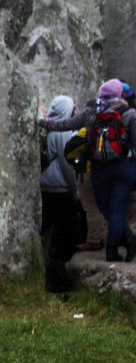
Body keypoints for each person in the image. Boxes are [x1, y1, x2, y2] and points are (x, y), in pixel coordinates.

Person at [38, 78, 136, 262]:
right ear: (120, 95)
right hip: (123, 168)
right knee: (117, 209)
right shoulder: (129, 114)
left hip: (99, 169)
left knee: (105, 208)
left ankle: (124, 239)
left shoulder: (92, 113)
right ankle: (114, 248)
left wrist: (41, 120)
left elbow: (63, 125)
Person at [39, 95, 80, 292]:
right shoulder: (62, 132)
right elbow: (67, 164)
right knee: (65, 234)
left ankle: (46, 271)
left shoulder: (44, 127)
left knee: (46, 230)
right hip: (60, 188)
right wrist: (75, 190)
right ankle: (60, 279)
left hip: (44, 186)